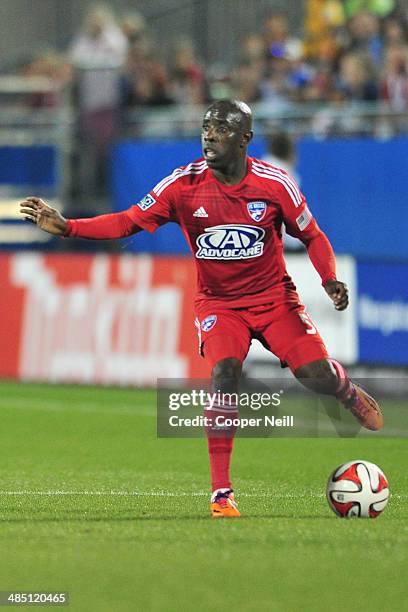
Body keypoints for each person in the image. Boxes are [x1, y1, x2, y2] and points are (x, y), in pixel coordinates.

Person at [20, 99, 383, 518]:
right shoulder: (182, 185)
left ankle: (346, 392)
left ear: (245, 139)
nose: (210, 135)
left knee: (315, 376)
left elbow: (313, 236)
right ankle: (221, 493)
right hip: (219, 304)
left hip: (274, 300)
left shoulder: (274, 184)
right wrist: (68, 227)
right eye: (206, 127)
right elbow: (127, 222)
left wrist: (329, 278)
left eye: (222, 129)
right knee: (225, 373)